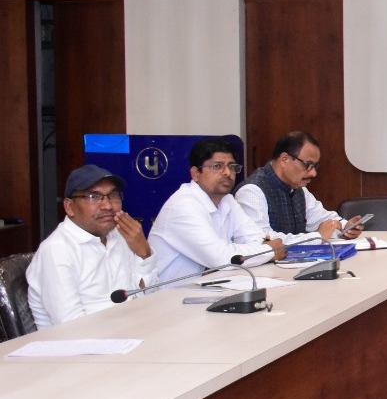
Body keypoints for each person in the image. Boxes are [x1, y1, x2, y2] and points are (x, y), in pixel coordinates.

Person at [25, 165, 158, 328]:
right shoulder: (57, 250)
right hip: (81, 342)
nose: (107, 206)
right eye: (93, 196)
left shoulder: (120, 236)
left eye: (113, 195)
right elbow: (71, 327)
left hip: (131, 331)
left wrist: (144, 253)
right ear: (69, 207)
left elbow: (148, 298)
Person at [148, 138, 286, 281]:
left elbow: (256, 238)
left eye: (232, 166)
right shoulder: (183, 205)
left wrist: (265, 246)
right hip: (173, 292)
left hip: (211, 286)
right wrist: (269, 251)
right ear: (195, 173)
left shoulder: (227, 200)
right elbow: (221, 258)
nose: (227, 172)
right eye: (217, 166)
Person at [236, 131, 362, 243]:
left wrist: (345, 227)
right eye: (308, 165)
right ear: (284, 159)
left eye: (315, 166)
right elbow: (262, 240)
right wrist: (317, 237)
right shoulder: (251, 191)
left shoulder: (298, 189)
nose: (313, 173)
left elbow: (320, 218)